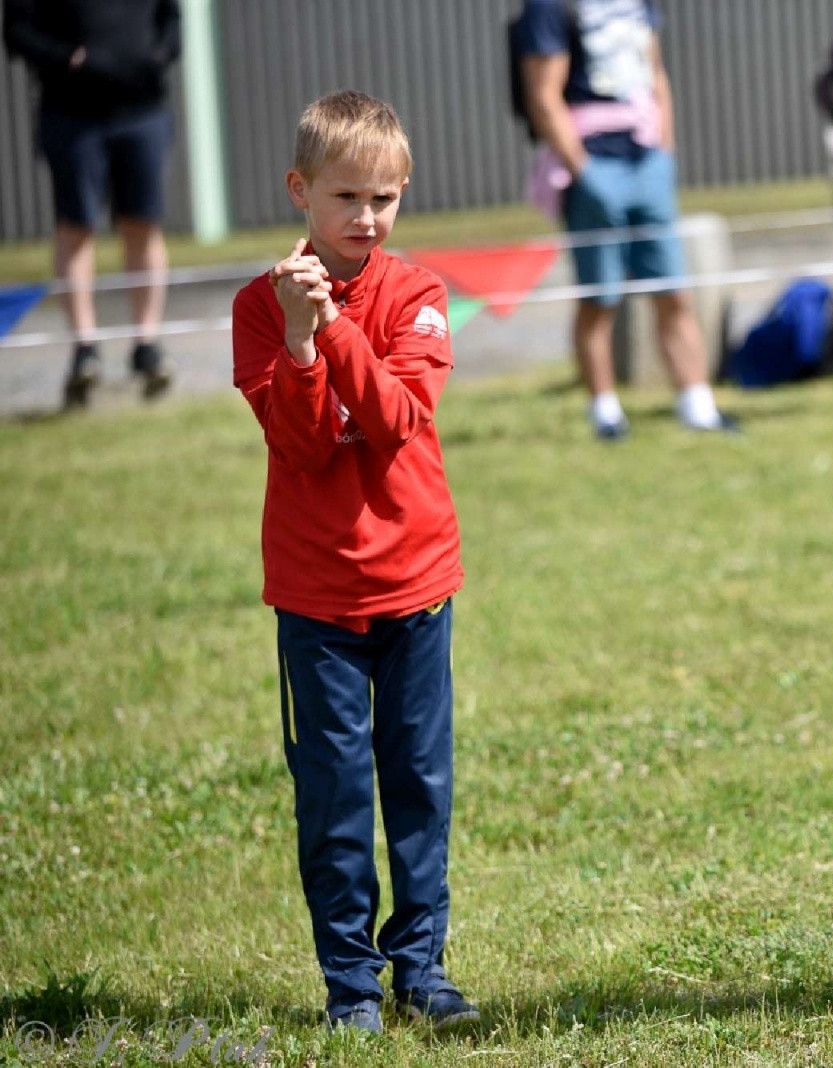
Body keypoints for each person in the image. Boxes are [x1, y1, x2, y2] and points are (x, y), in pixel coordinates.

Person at [231, 90, 478, 1035]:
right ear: (301, 191)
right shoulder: (261, 306)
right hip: (316, 595)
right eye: (346, 198)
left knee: (418, 781)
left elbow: (398, 419)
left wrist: (329, 329)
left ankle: (423, 969)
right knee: (333, 797)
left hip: (415, 582)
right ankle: (350, 988)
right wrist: (296, 337)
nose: (366, 218)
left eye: (384, 198)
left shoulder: (416, 295)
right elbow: (299, 447)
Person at [515, 0, 735, 440]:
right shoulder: (549, 8)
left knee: (674, 293)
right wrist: (584, 172)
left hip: (646, 158)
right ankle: (606, 413)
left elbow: (655, 72)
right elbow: (543, 96)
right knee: (601, 298)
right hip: (592, 163)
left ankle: (698, 406)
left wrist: (664, 154)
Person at [2, 0, 178, 407]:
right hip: (71, 114)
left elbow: (171, 20)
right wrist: (69, 59)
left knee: (143, 224)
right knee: (76, 226)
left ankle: (147, 346)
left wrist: (158, 54)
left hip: (143, 108)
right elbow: (17, 32)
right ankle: (85, 350)